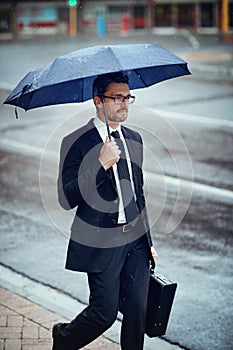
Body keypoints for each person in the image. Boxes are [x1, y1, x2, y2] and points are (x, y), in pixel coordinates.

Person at [52, 72, 158, 350]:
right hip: (101, 241)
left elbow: (138, 192)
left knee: (137, 312)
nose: (125, 104)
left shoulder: (134, 138)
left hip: (135, 240)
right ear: (98, 100)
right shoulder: (75, 141)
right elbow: (66, 198)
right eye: (117, 97)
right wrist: (99, 165)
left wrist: (149, 241)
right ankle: (62, 339)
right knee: (104, 313)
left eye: (128, 97)